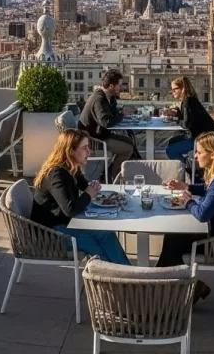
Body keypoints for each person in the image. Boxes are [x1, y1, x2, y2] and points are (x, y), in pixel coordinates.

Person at [160, 131, 214, 303]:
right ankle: (180, 288)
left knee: (174, 241)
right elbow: (208, 189)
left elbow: (202, 214)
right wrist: (187, 186)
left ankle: (161, 289)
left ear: (213, 155)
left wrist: (187, 201)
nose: (196, 156)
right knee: (174, 237)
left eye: (200, 152)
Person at [30, 129, 129, 265]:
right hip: (50, 233)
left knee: (106, 233)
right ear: (70, 151)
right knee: (97, 248)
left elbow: (82, 184)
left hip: (65, 222)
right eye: (84, 148)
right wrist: (88, 193)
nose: (90, 152)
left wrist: (91, 186)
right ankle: (117, 279)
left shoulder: (70, 166)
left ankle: (130, 274)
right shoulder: (57, 174)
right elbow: (70, 209)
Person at [78, 70, 139, 177]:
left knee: (129, 141)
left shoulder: (108, 97)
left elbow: (113, 113)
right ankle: (113, 175)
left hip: (100, 134)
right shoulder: (99, 99)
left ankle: (112, 170)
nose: (121, 88)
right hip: (94, 139)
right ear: (111, 86)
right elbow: (106, 122)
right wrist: (123, 114)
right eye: (119, 85)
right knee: (128, 148)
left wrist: (120, 112)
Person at [165, 77, 214, 165]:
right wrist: (178, 113)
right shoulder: (190, 100)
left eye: (175, 89)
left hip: (205, 139)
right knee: (172, 141)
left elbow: (186, 125)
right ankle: (188, 163)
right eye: (172, 90)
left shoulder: (188, 102)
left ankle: (188, 168)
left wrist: (174, 119)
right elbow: (189, 119)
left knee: (170, 150)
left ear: (182, 88)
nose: (172, 92)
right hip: (207, 136)